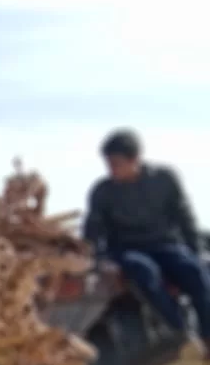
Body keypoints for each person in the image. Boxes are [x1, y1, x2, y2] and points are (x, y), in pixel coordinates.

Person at [84, 129, 210, 349]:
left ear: (135, 159)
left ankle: (207, 335)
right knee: (144, 271)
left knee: (195, 271)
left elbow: (184, 216)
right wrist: (97, 260)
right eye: (108, 164)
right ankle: (181, 332)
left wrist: (195, 250)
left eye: (116, 163)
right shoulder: (102, 191)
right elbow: (92, 232)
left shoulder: (164, 179)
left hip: (165, 245)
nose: (111, 170)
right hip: (127, 249)